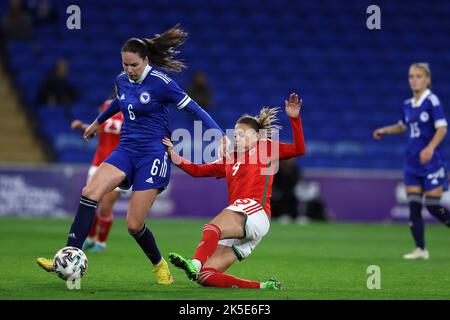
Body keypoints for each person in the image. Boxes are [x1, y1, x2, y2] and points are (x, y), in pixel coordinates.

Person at [36, 25, 225, 285]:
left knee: (134, 224)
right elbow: (119, 101)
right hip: (126, 149)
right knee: (90, 192)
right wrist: (98, 122)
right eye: (125, 64)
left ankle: (159, 265)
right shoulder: (122, 80)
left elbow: (194, 109)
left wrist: (220, 135)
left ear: (145, 60)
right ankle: (69, 254)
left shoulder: (162, 84)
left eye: (134, 64)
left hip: (153, 155)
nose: (129, 70)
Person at [164, 92, 306, 289]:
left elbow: (299, 149)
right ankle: (264, 286)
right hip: (242, 219)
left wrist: (294, 119)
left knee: (212, 228)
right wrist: (173, 155)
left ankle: (194, 263)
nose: (236, 138)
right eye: (235, 135)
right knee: (205, 276)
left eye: (242, 134)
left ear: (256, 136)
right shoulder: (229, 159)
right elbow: (197, 171)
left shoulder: (266, 147)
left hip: (255, 211)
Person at [373, 62, 449, 260]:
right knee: (414, 206)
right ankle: (420, 249)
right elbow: (402, 126)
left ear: (427, 80)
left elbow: (442, 128)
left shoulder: (432, 101)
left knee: (433, 205)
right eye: (411, 76)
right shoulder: (407, 104)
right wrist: (385, 130)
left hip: (431, 162)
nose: (414, 80)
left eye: (419, 76)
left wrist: (430, 148)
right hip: (412, 164)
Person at [70, 96, 124, 252]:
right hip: (98, 164)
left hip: (119, 165)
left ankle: (101, 243)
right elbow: (99, 128)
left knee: (106, 206)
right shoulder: (108, 104)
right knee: (92, 202)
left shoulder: (134, 108)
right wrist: (82, 126)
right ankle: (91, 238)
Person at [271, 158, 301, 223]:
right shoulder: (278, 169)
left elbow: (295, 181)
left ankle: (294, 215)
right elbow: (275, 183)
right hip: (279, 192)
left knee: (292, 197)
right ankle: (281, 214)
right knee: (280, 197)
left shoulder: (294, 170)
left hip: (290, 192)